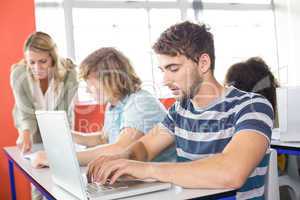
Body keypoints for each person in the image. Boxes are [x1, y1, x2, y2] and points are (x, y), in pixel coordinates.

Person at [86, 21, 274, 200]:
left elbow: (231, 172)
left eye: (173, 69)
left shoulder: (252, 106)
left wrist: (147, 169)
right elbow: (144, 148)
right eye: (163, 70)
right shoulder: (180, 110)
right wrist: (122, 159)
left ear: (203, 63)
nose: (165, 80)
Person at [31, 47, 176, 168]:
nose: (88, 90)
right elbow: (104, 139)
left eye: (90, 84)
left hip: (162, 182)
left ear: (111, 79)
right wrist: (68, 134)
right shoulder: (114, 105)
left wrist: (59, 159)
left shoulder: (140, 101)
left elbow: (120, 148)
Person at [10, 31, 78, 200]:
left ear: (53, 58)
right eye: (31, 62)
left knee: (64, 179)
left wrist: (58, 143)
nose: (37, 68)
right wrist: (25, 133)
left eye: (43, 61)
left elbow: (62, 111)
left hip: (59, 124)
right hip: (31, 129)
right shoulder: (18, 74)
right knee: (38, 181)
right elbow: (24, 111)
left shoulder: (70, 73)